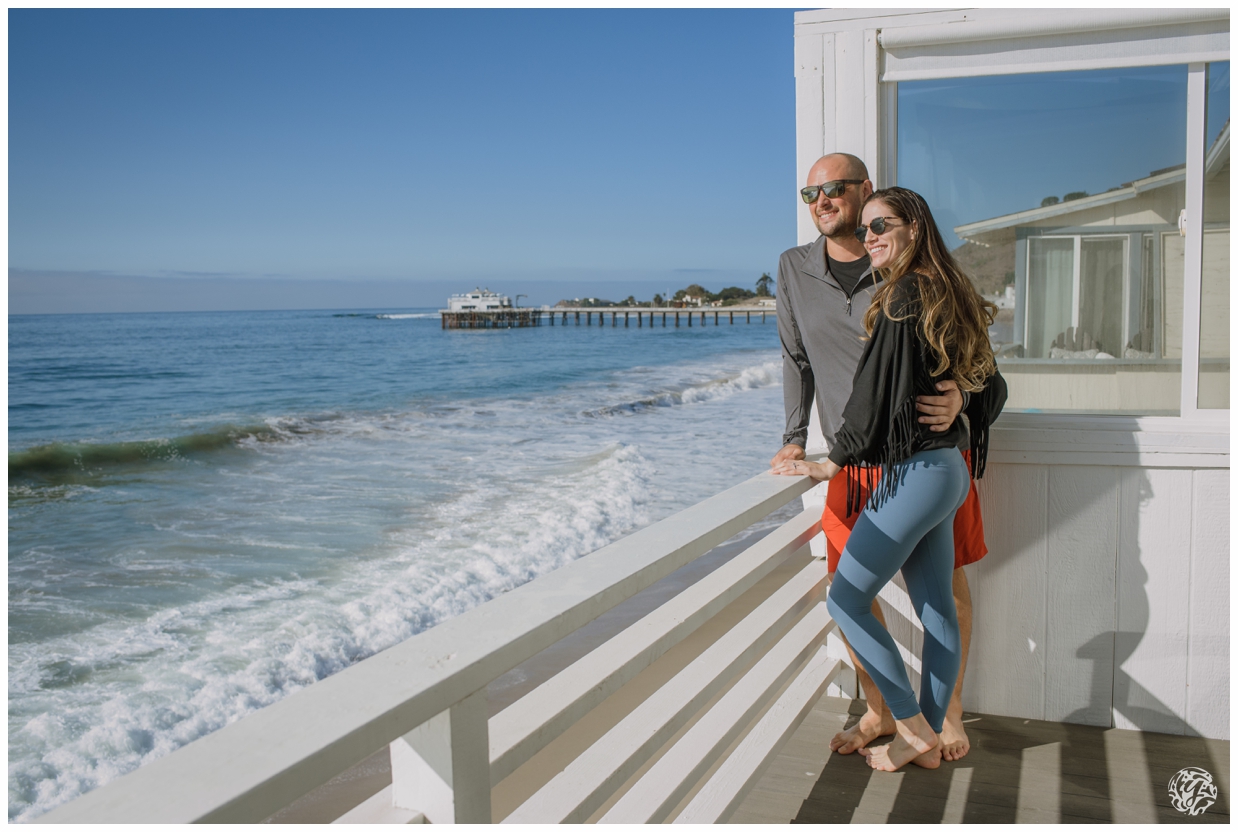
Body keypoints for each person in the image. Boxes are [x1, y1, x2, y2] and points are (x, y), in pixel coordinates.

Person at [774, 186, 1006, 771]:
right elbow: (993, 384)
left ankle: (909, 721)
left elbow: (872, 391)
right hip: (947, 470)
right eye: (866, 229)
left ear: (914, 228)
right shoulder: (948, 289)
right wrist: (963, 399)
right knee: (937, 610)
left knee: (847, 598)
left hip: (915, 474)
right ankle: (920, 740)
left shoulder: (904, 294)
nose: (870, 237)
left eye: (881, 226)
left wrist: (833, 460)